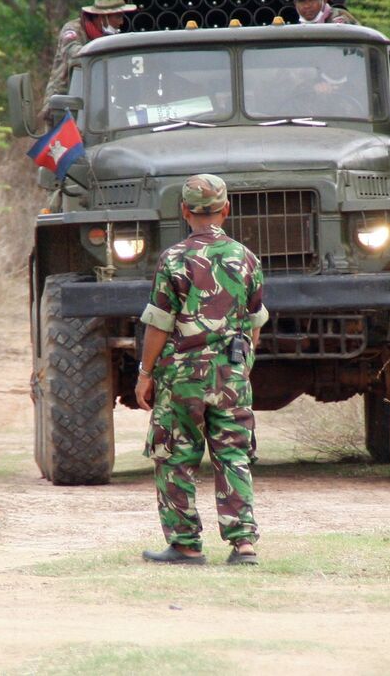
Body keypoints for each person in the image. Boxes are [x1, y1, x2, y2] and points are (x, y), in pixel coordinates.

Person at [136, 173, 268, 566]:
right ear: (226, 210)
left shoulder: (174, 259)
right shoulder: (246, 257)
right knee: (233, 455)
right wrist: (241, 367)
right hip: (231, 373)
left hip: (183, 376)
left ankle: (185, 544)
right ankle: (243, 544)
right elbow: (255, 321)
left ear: (184, 212)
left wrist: (145, 372)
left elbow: (160, 322)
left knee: (176, 455)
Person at [40, 0, 136, 121]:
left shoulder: (108, 37)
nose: (121, 22)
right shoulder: (72, 30)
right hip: (63, 106)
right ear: (103, 17)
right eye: (118, 16)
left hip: (94, 107)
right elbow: (75, 56)